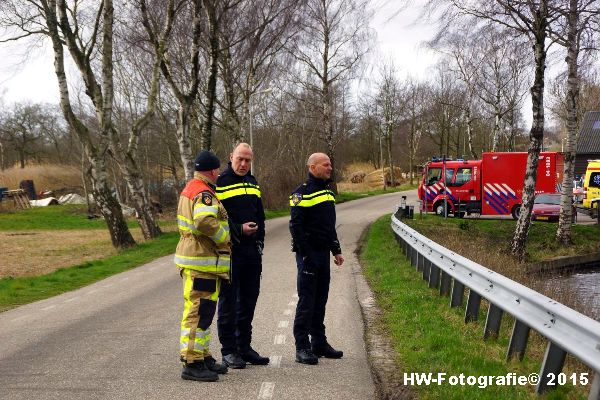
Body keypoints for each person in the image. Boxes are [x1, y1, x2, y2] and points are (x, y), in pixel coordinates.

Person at [174, 150, 230, 382]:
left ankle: (202, 355)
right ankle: (191, 362)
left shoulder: (193, 187)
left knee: (205, 312)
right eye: (218, 169)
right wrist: (223, 237)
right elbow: (204, 221)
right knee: (197, 312)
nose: (219, 173)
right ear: (213, 170)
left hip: (202, 261)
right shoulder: (203, 192)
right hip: (201, 261)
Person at [215, 143, 269, 369]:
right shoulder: (220, 183)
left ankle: (244, 347)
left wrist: (260, 243)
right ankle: (228, 350)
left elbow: (260, 214)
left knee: (249, 300)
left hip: (251, 253)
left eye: (248, 160)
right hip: (230, 251)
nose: (244, 164)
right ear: (231, 157)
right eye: (240, 159)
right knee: (229, 301)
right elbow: (214, 219)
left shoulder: (252, 182)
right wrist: (238, 229)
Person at [289, 152, 345, 365]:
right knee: (307, 301)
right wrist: (306, 254)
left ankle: (319, 343)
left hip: (323, 253)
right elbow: (296, 226)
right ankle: (302, 346)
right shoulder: (301, 193)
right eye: (326, 164)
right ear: (313, 167)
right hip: (308, 255)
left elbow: (329, 227)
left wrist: (336, 250)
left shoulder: (328, 193)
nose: (330, 167)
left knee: (320, 299)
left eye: (330, 164)